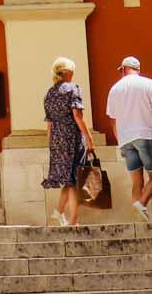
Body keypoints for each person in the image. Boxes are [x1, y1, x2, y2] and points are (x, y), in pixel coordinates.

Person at [105, 55, 152, 220]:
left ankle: (138, 219)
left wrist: (120, 141)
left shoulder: (114, 90)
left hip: (126, 140)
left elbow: (113, 120)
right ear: (138, 69)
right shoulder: (148, 84)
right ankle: (141, 205)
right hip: (145, 135)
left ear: (123, 69)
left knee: (137, 182)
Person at [40, 57, 95, 227]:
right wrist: (89, 139)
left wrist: (52, 144)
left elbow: (49, 123)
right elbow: (78, 116)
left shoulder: (49, 93)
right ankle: (73, 222)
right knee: (74, 181)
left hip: (57, 139)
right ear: (69, 72)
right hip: (72, 138)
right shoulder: (73, 89)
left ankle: (59, 211)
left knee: (69, 178)